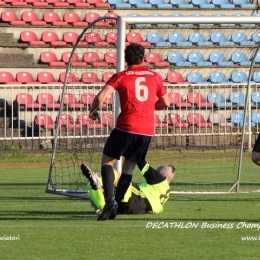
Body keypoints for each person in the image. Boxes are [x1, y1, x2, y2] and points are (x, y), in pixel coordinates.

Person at [88, 43, 170, 221]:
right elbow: (166, 102)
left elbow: (101, 97)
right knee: (128, 169)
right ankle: (116, 207)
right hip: (146, 131)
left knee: (107, 162)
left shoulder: (120, 76)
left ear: (126, 59)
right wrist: (149, 108)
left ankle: (110, 200)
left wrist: (94, 110)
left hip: (126, 126)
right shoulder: (154, 76)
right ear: (143, 58)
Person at [81, 161, 175, 218]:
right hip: (138, 209)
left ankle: (98, 180)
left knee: (118, 176)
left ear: (161, 172)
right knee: (94, 186)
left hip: (138, 200)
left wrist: (135, 147)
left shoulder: (161, 179)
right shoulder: (166, 190)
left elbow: (141, 162)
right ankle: (103, 208)